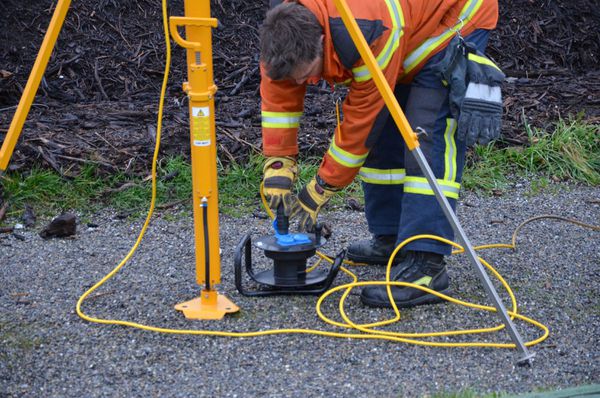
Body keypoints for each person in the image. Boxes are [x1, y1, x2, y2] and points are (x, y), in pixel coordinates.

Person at [259, 0, 503, 308]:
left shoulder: (367, 32)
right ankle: (392, 238)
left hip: (454, 17)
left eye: (308, 73)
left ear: (321, 39)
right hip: (405, 24)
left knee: (426, 130)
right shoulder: (280, 34)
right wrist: (278, 167)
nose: (303, 83)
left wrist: (320, 189)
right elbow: (280, 101)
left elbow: (363, 123)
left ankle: (426, 266)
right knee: (386, 124)